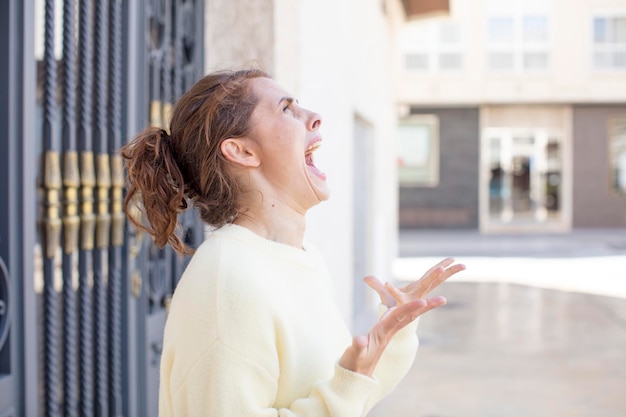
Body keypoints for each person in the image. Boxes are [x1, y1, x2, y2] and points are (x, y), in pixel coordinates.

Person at [121, 68, 465, 417]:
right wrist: (344, 390)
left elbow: (346, 396)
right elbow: (337, 401)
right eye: (287, 109)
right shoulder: (227, 280)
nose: (314, 118)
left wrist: (391, 337)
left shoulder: (299, 259)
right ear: (241, 151)